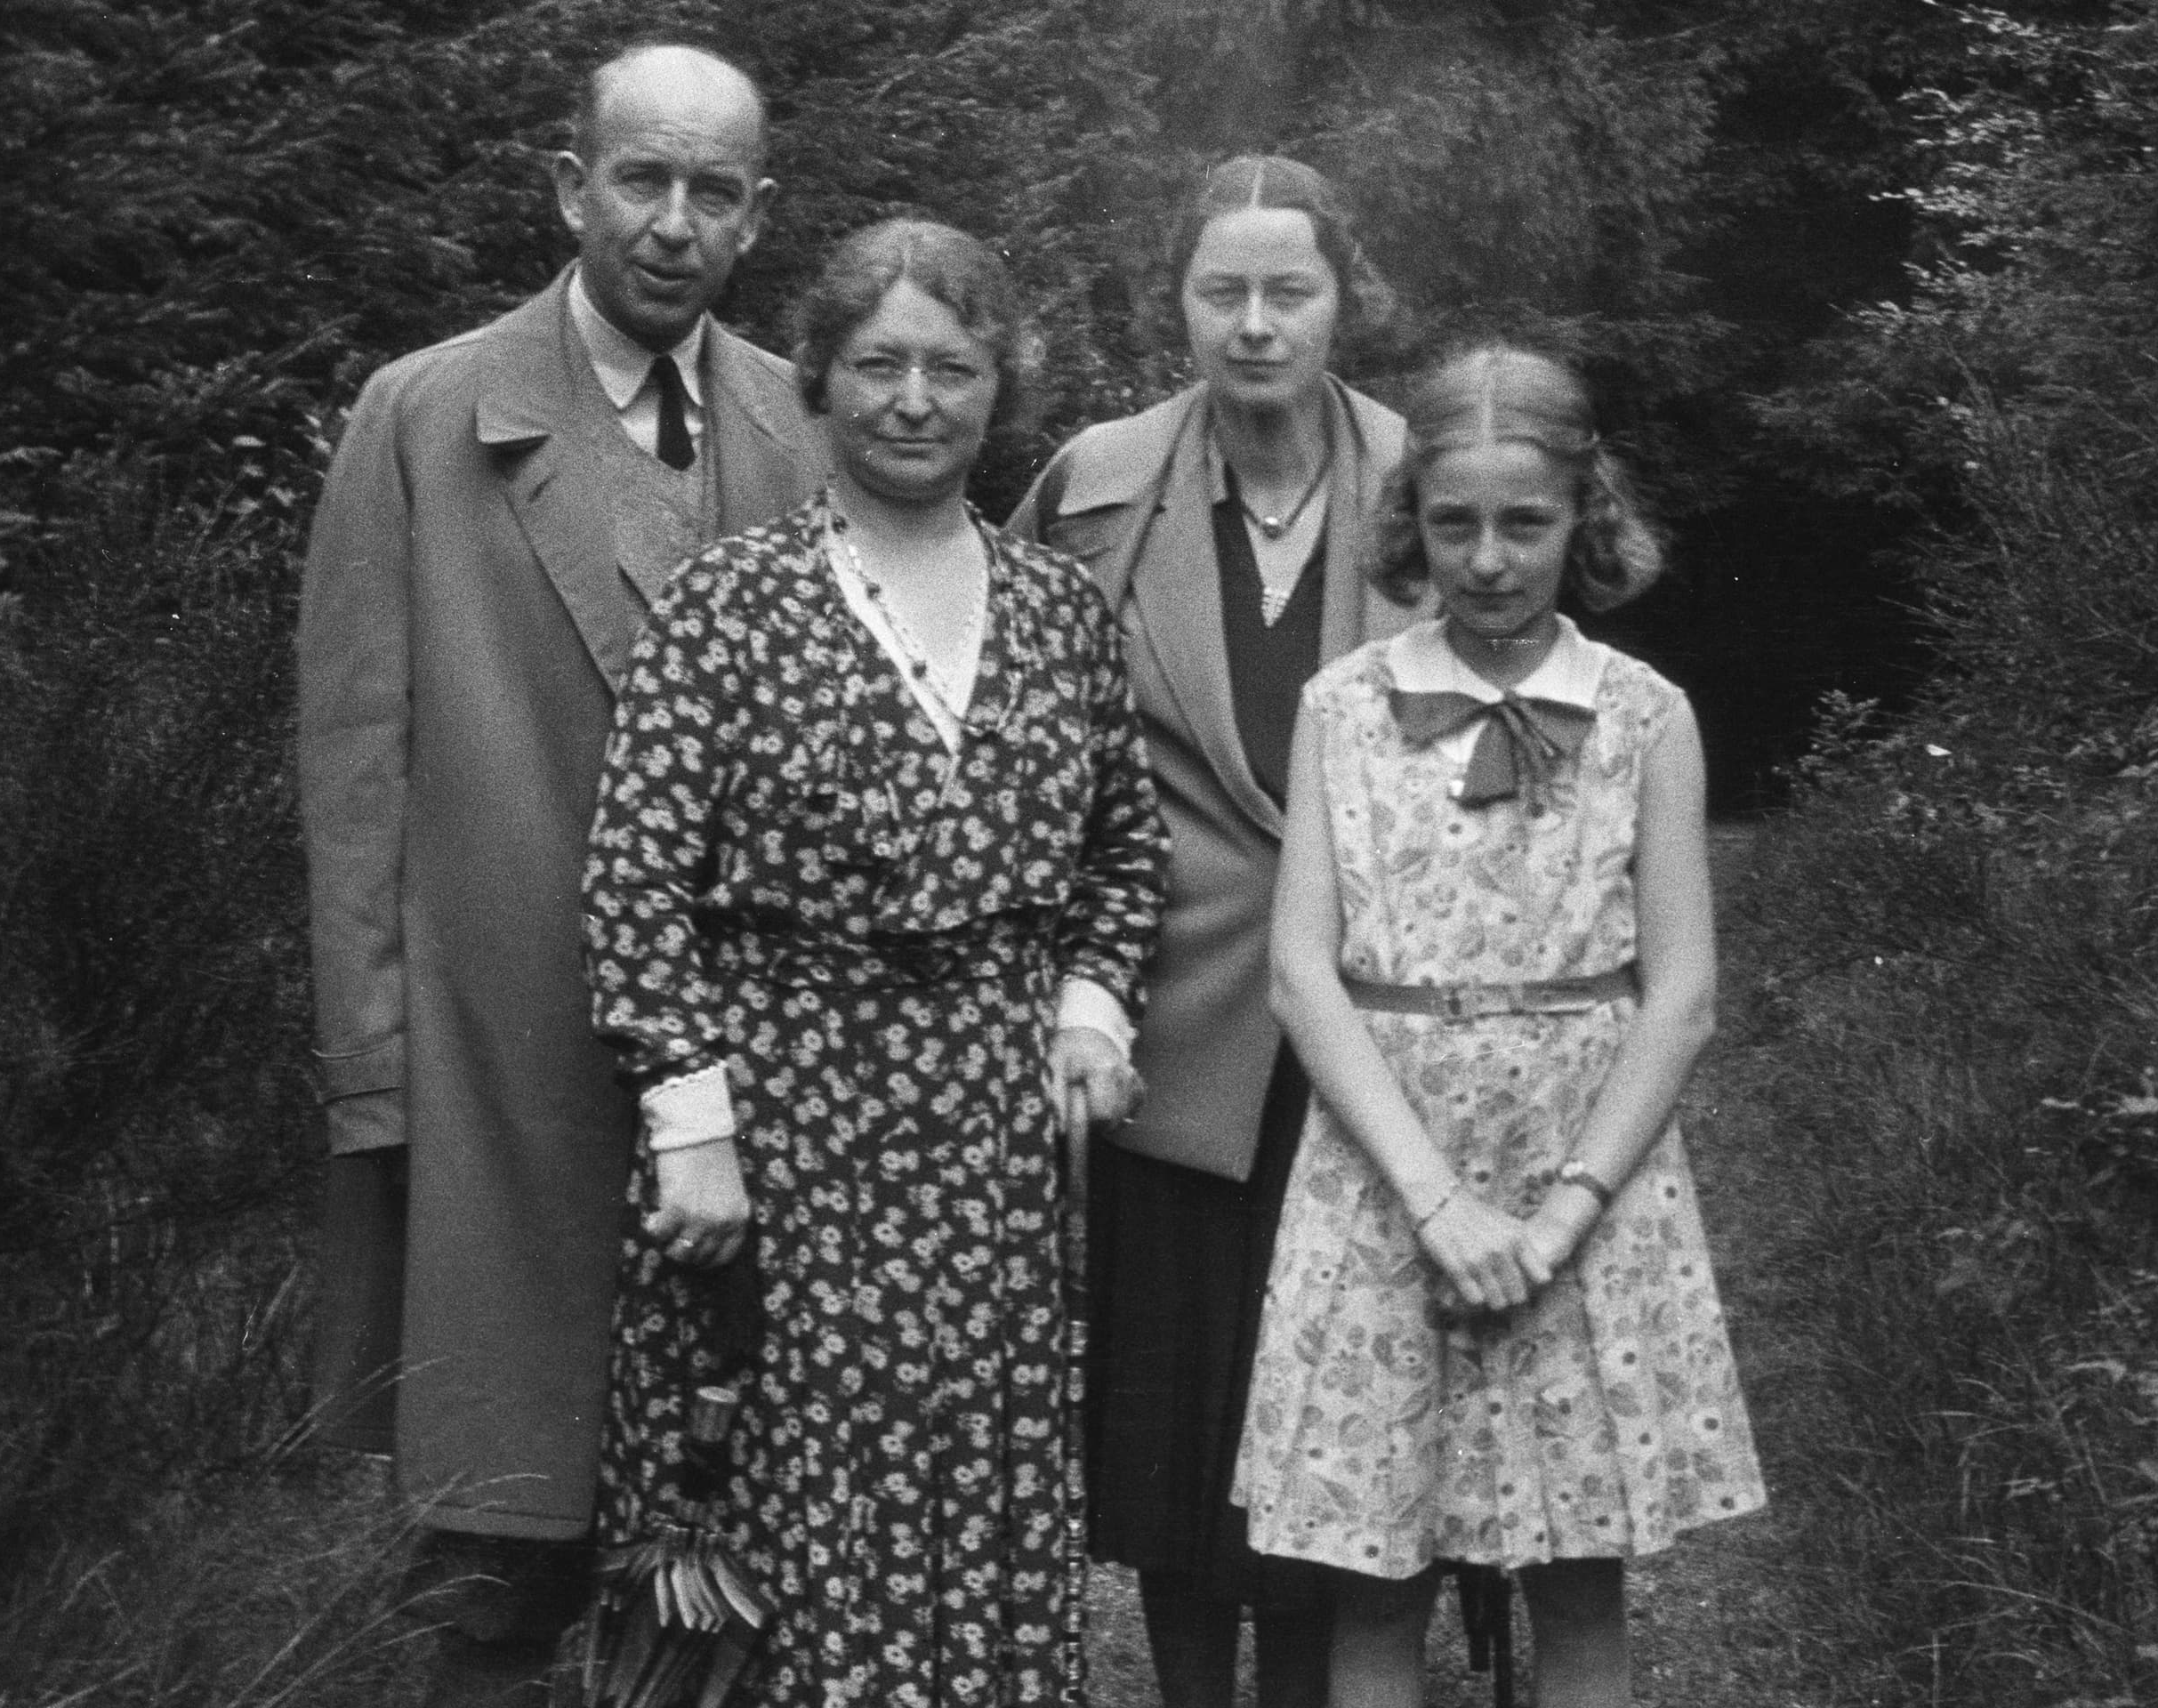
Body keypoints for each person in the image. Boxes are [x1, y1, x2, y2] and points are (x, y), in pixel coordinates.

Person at [294, 41, 819, 1707]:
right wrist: (375, 1084)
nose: (673, 224)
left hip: (754, 1083)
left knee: (735, 1544)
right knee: (498, 1552)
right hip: (502, 1067)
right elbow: (355, 775)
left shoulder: (803, 420)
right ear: (568, 184)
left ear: (757, 214)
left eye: (712, 191)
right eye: (642, 179)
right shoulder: (424, 416)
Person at [580, 218, 1167, 1708]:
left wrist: (1092, 1007)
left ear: (998, 387)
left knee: (981, 1493)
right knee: (796, 1497)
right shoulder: (728, 606)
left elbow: (1123, 853)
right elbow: (636, 881)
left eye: (951, 366)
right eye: (879, 363)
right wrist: (692, 1128)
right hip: (786, 1134)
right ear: (820, 385)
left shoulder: (1059, 610)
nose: (916, 398)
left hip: (987, 1144)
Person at [1236, 344, 1767, 1708]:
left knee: (1580, 1573)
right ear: (1412, 521)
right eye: (1455, 523)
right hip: (1385, 1181)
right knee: (1377, 1577)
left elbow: (1684, 993)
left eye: (1524, 523)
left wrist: (1563, 1211)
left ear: (1582, 520)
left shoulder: (1648, 716)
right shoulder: (1343, 708)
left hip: (1587, 1180)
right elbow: (1304, 972)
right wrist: (1435, 1204)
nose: (1487, 559)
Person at [1004, 154, 1414, 1708]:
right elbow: (1019, 730)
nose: (1255, 326)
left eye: (1288, 291)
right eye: (1220, 291)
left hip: (1368, 1028)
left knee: (1331, 1414)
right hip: (1163, 1034)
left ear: (1342, 297)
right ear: (1176, 302)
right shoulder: (1097, 480)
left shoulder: (1419, 475)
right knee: (1176, 1429)